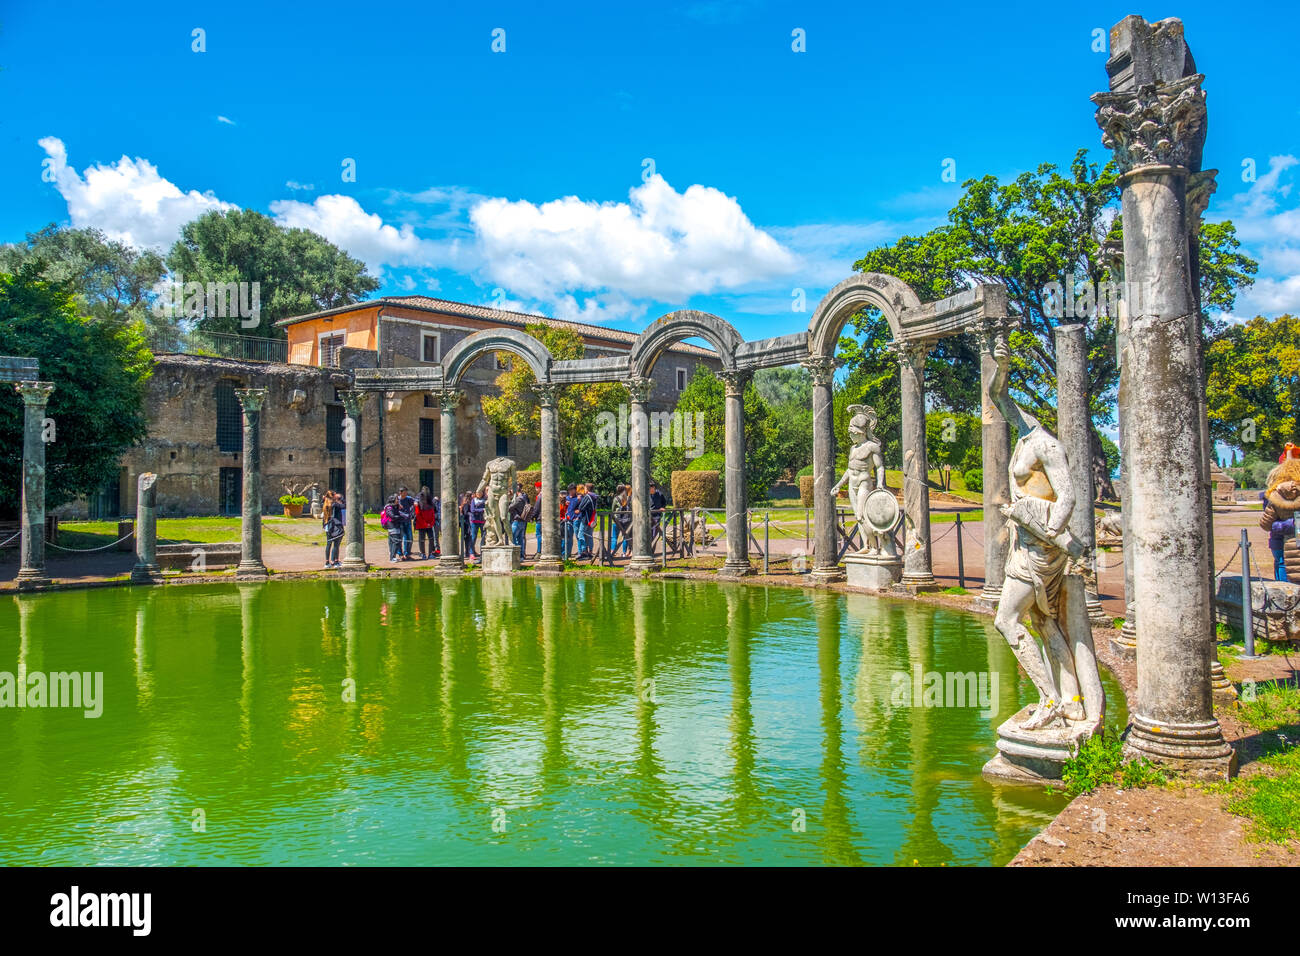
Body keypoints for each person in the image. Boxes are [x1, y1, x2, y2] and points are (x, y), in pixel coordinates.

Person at [1260, 459, 1300, 582]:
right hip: (1295, 540)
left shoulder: (1274, 496)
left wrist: (1280, 526)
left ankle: (1284, 595)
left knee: (1282, 564)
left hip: (1278, 540)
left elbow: (1265, 524)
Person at [322, 489, 345, 568]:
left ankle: (327, 563)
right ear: (333, 496)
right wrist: (341, 499)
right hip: (335, 526)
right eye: (335, 494)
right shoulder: (335, 504)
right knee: (336, 544)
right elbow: (344, 506)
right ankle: (335, 562)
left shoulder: (325, 504)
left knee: (328, 544)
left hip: (328, 526)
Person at [415, 486, 438, 559]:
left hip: (429, 524)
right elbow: (418, 515)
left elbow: (432, 513)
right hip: (421, 524)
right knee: (422, 539)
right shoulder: (418, 504)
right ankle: (423, 553)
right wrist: (425, 524)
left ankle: (430, 553)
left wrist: (430, 523)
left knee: (431, 539)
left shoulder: (431, 503)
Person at [382, 494, 405, 562]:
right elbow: (392, 516)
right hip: (392, 526)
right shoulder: (389, 508)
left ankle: (392, 557)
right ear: (393, 500)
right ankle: (392, 558)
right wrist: (400, 517)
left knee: (394, 542)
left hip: (396, 525)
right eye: (397, 499)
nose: (398, 500)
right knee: (395, 542)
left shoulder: (395, 507)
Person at [508, 482, 529, 557]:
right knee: (520, 539)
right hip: (522, 521)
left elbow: (509, 508)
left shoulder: (518, 499)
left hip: (517, 521)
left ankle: (516, 554)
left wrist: (508, 498)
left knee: (512, 537)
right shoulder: (524, 497)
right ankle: (521, 556)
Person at [611, 483, 631, 557]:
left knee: (614, 537)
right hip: (626, 520)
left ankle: (613, 552)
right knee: (625, 536)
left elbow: (612, 510)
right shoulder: (628, 498)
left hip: (617, 520)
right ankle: (624, 553)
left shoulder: (616, 499)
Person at [397, 486, 416, 559]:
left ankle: (407, 553)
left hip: (407, 521)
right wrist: (403, 514)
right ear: (400, 493)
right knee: (401, 538)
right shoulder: (397, 500)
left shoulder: (408, 499)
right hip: (400, 521)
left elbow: (414, 503)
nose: (405, 494)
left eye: (406, 492)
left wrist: (410, 513)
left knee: (409, 538)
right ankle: (400, 553)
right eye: (404, 492)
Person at [469, 488, 487, 556]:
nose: (479, 494)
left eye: (480, 492)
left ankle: (483, 552)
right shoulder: (473, 500)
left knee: (483, 537)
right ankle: (471, 552)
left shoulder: (485, 500)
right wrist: (482, 509)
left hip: (482, 521)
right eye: (477, 492)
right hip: (474, 521)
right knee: (473, 537)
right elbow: (472, 510)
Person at [649, 481, 666, 547]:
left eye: (649, 488)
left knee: (654, 534)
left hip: (657, 516)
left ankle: (651, 549)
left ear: (653, 487)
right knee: (648, 533)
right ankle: (649, 549)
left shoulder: (660, 494)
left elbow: (664, 502)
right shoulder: (647, 494)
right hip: (648, 516)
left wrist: (662, 507)